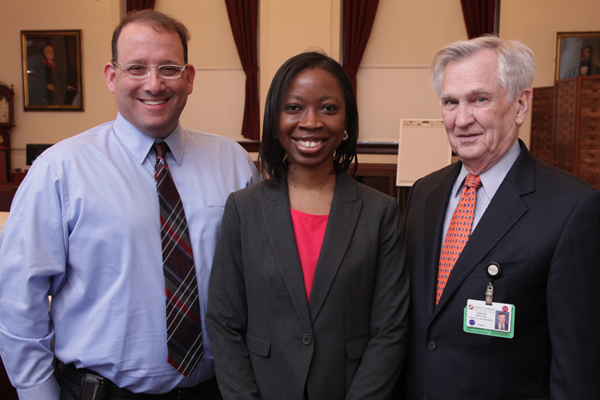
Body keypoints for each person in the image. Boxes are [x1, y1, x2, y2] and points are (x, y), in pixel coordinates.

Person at [0, 10, 259, 400]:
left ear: (189, 78)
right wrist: (36, 392)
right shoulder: (60, 170)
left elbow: (255, 283)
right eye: (137, 67)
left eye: (168, 68)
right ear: (111, 76)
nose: (153, 84)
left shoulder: (233, 163)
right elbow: (20, 296)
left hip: (215, 390)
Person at [402, 36, 600, 399]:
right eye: (450, 102)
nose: (462, 119)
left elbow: (578, 368)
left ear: (521, 104)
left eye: (480, 99)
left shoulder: (572, 208)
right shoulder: (423, 194)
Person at [206, 51, 409, 400]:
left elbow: (390, 330)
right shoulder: (244, 209)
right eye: (294, 107)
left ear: (347, 121)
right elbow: (225, 323)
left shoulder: (381, 213)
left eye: (328, 108)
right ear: (274, 118)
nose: (311, 122)